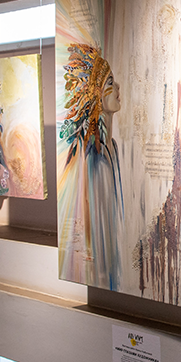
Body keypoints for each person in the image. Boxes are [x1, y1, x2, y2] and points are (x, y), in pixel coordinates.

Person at [60, 42, 124, 290]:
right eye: (110, 83)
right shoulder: (94, 155)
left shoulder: (111, 147)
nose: (118, 88)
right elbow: (96, 226)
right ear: (97, 94)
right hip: (103, 272)